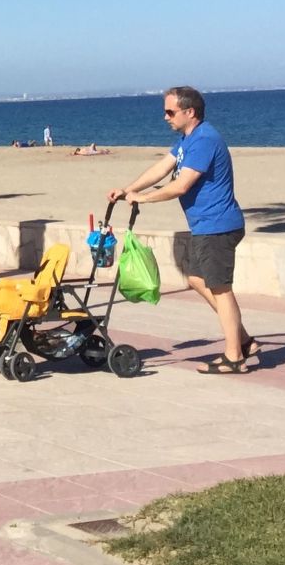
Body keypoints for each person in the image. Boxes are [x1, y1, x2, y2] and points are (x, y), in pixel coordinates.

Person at [108, 86, 256, 374]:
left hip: (218, 226)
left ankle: (235, 356)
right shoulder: (187, 140)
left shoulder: (205, 140)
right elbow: (162, 168)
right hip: (206, 226)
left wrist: (144, 199)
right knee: (197, 279)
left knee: (221, 290)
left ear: (190, 112)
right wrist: (127, 190)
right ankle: (243, 340)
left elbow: (181, 185)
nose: (165, 117)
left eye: (170, 111)